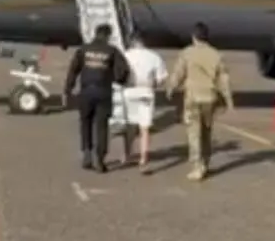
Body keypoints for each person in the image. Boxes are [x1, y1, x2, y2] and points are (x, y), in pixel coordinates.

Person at [166, 22, 234, 181]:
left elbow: (178, 73)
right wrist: (229, 100)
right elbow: (224, 79)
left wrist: (171, 88)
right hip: (210, 98)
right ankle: (206, 162)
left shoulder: (187, 53)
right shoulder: (216, 55)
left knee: (194, 133)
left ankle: (197, 166)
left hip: (193, 98)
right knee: (206, 132)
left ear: (194, 37)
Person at [63, 23, 130, 172]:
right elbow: (122, 71)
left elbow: (73, 70)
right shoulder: (112, 51)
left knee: (85, 122)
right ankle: (99, 158)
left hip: (86, 91)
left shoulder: (83, 50)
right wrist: (117, 80)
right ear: (108, 36)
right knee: (101, 125)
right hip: (103, 92)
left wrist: (68, 89)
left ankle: (86, 153)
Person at [123, 33, 168, 174]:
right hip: (146, 92)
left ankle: (127, 154)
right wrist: (154, 84)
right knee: (145, 128)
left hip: (130, 92)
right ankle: (144, 157)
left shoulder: (125, 55)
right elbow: (161, 78)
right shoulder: (154, 56)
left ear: (132, 42)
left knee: (130, 125)